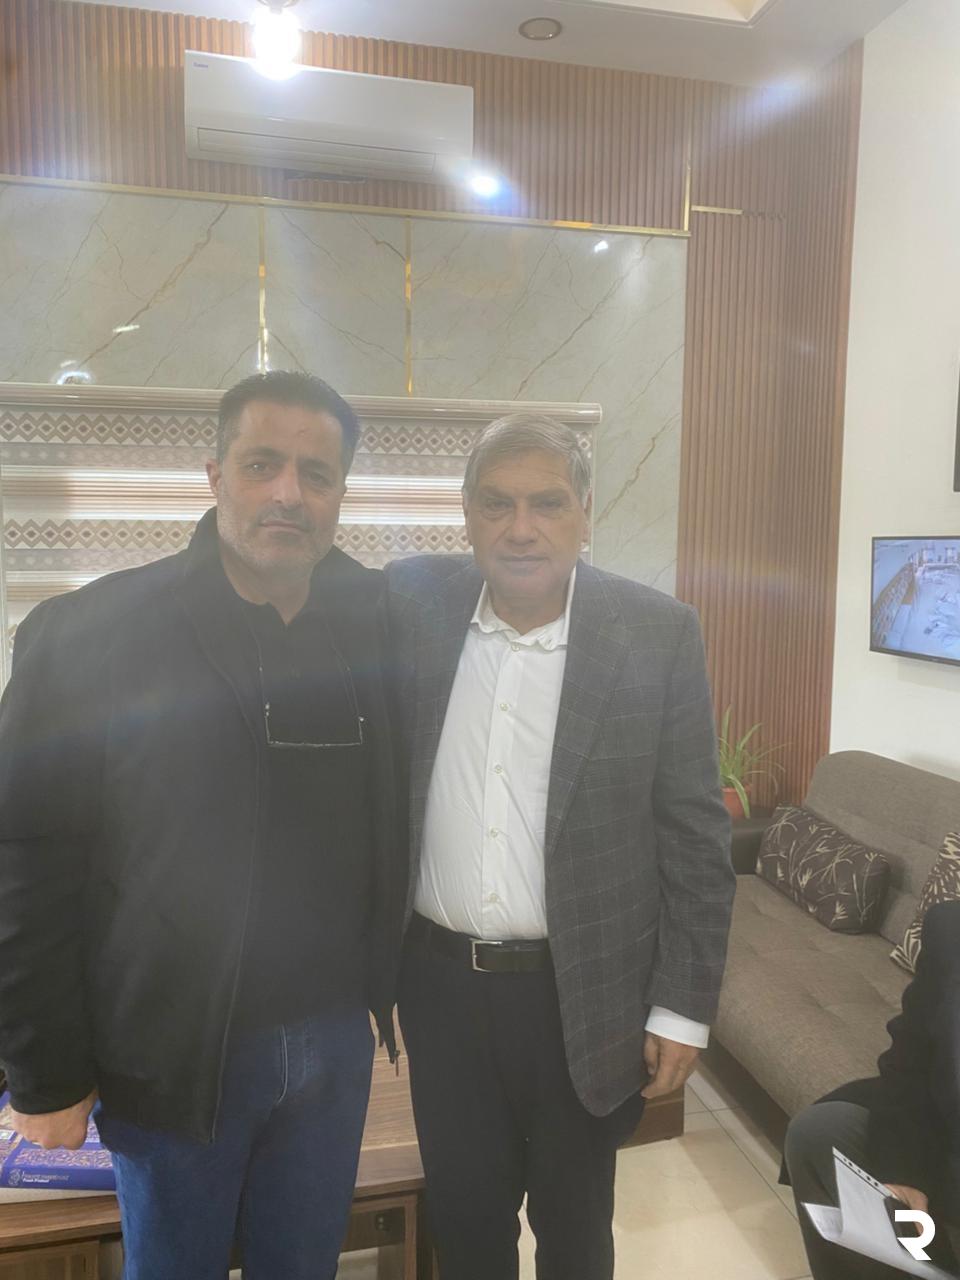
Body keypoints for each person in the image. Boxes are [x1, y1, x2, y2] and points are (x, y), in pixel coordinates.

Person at [0, 371, 404, 1280]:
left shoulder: (377, 625)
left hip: (334, 1047)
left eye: (316, 473)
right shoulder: (91, 634)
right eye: (262, 465)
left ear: (341, 492)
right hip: (174, 1051)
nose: (288, 493)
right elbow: (25, 857)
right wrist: (44, 1071)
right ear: (215, 474)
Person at [385, 413, 734, 1280]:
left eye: (546, 503)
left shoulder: (655, 632)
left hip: (583, 996)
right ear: (467, 514)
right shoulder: (412, 607)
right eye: (496, 503)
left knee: (576, 1235)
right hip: (439, 991)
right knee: (466, 1228)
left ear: (585, 512)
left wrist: (681, 1008)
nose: (521, 527)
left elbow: (695, 834)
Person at [784, 897, 960, 1279]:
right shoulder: (951, 926)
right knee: (819, 1132)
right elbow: (910, 1059)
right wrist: (906, 1167)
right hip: (946, 1137)